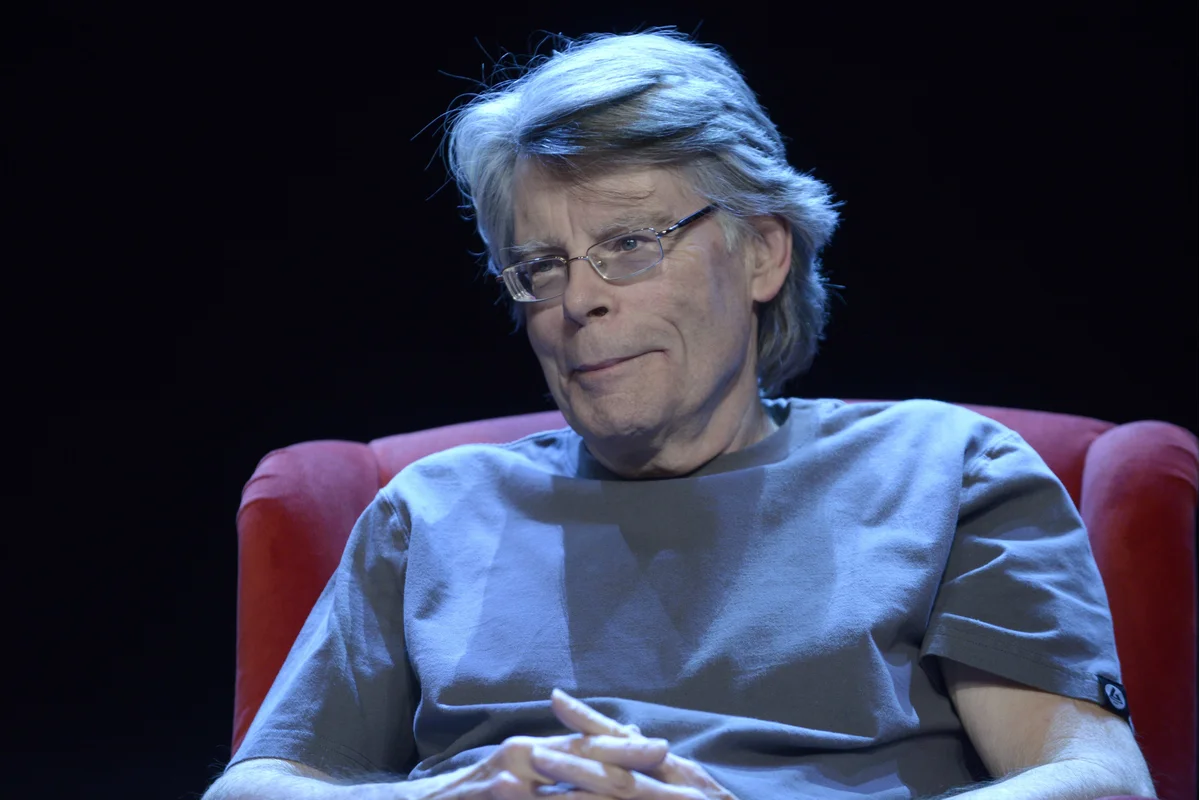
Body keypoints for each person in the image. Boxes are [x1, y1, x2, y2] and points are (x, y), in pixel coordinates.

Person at [204, 29, 1156, 800]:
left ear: (763, 252)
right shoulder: (434, 511)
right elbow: (253, 787)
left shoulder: (944, 472)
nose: (580, 300)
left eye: (629, 243)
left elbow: (1097, 783)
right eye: (540, 267)